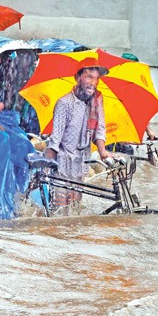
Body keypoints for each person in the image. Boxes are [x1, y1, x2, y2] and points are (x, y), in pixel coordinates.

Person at [43, 65, 112, 208]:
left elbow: (100, 128)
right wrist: (44, 168)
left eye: (97, 79)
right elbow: (55, 138)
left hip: (81, 162)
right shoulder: (64, 103)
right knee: (60, 210)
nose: (93, 83)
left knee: (76, 210)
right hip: (62, 163)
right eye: (89, 77)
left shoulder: (97, 101)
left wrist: (103, 152)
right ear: (77, 78)